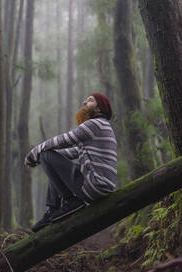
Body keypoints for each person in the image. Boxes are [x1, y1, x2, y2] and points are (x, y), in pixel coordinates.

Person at [24, 92, 117, 232]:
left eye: (90, 100)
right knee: (47, 156)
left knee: (46, 154)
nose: (84, 102)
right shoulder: (101, 127)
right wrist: (44, 160)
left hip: (94, 185)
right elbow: (73, 152)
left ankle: (69, 201)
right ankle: (53, 210)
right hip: (98, 185)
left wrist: (34, 154)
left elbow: (65, 140)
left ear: (99, 108)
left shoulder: (95, 124)